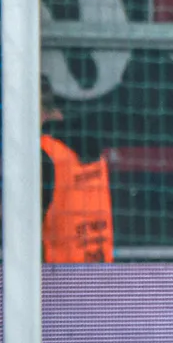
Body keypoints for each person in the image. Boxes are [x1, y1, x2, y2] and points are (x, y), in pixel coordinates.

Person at [40, 85, 113, 264]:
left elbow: (21, 220)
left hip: (56, 272)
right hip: (101, 266)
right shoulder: (94, 149)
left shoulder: (46, 152)